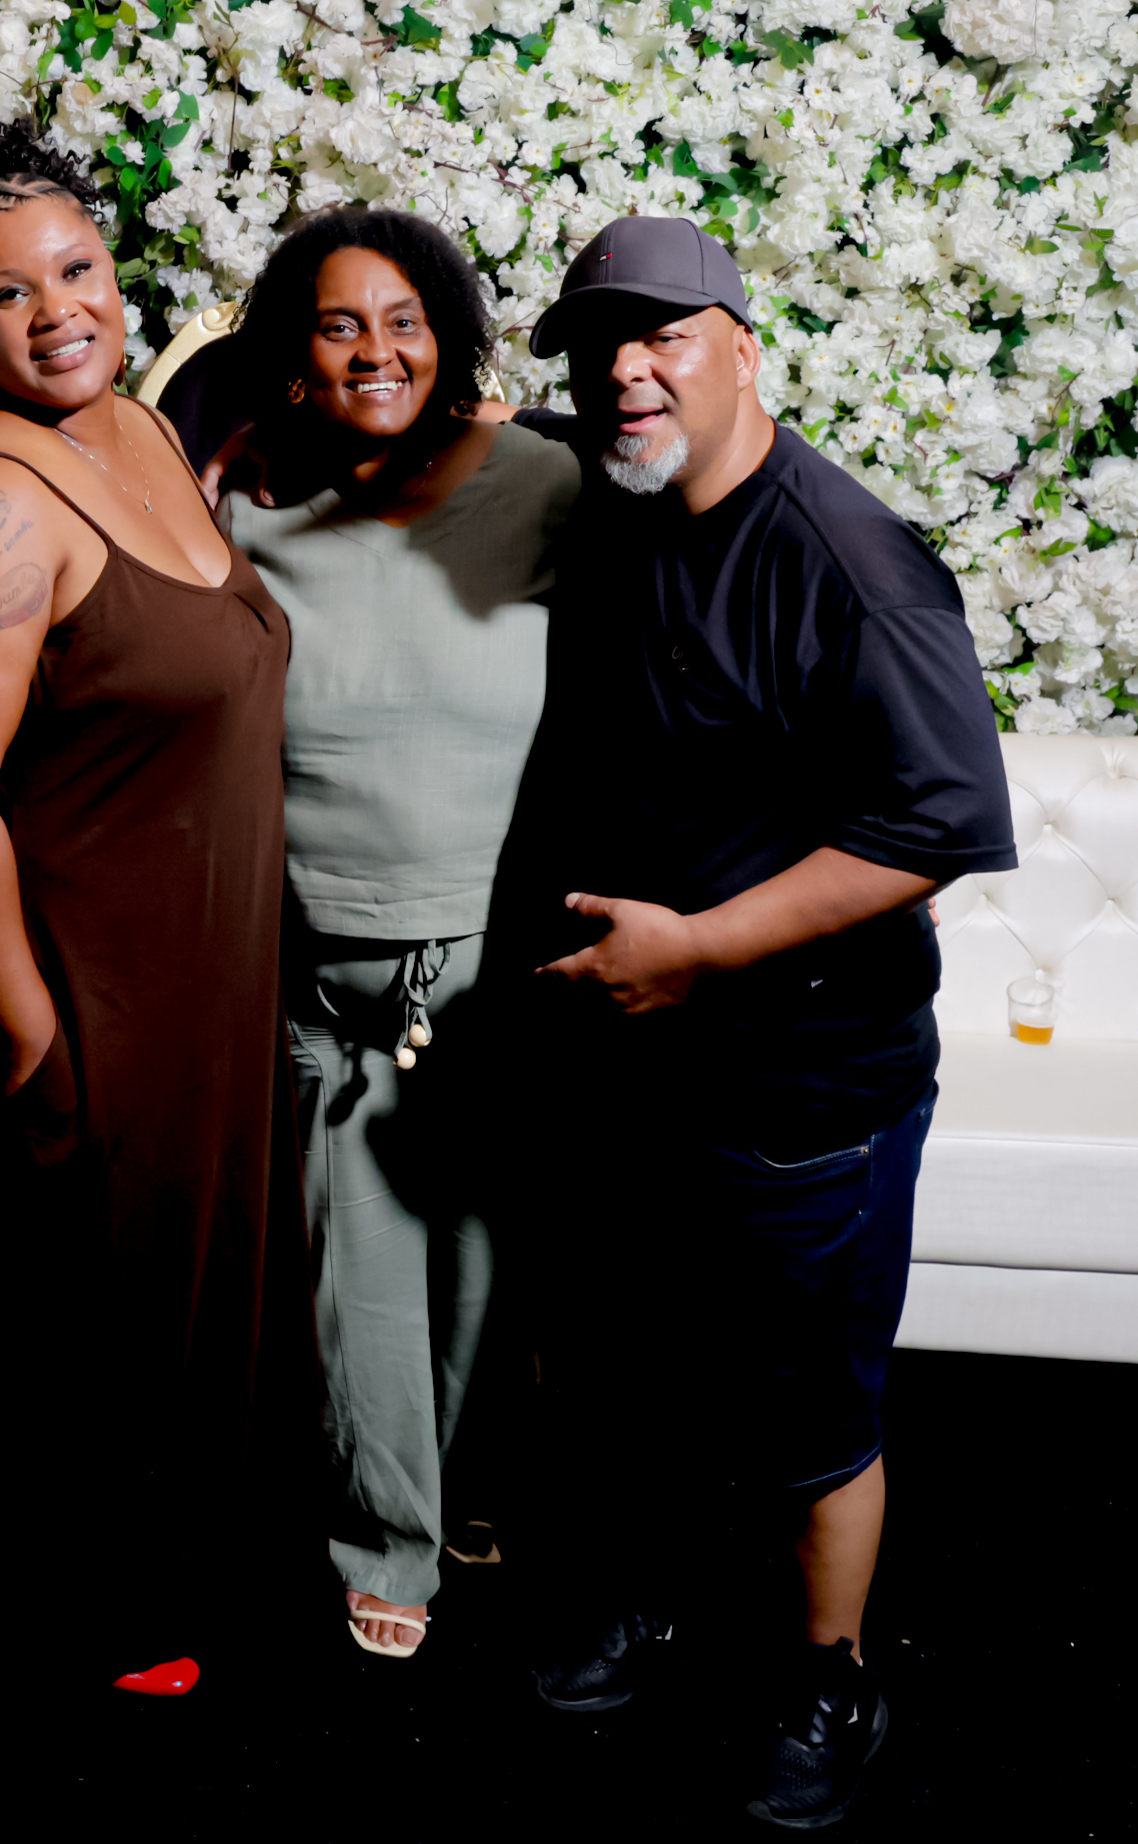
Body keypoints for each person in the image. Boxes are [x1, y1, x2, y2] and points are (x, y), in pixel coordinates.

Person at [492, 216, 1016, 1828]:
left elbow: (937, 821)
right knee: (635, 1365)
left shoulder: (851, 560)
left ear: (742, 345)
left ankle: (827, 1674)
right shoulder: (625, 495)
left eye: (661, 335)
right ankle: (647, 1597)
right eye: (599, 346)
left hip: (803, 1073)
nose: (623, 372)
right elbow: (457, 422)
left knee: (804, 1410)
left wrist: (700, 950)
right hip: (634, 1063)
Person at [0, 121, 318, 1681]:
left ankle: (178, 1582)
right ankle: (83, 1631)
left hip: (204, 979)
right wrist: (28, 1041)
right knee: (86, 1325)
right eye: (8, 294)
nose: (57, 310)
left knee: (187, 1310)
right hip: (90, 996)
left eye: (76, 271)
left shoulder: (128, 430)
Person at [209, 208, 580, 1658]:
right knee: (352, 1284)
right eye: (339, 324)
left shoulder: (543, 480)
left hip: (496, 966)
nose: (377, 350)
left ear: (449, 338)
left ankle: (467, 1491)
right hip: (324, 966)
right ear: (293, 357)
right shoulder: (242, 505)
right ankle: (387, 1541)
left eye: (405, 319)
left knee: (486, 1278)